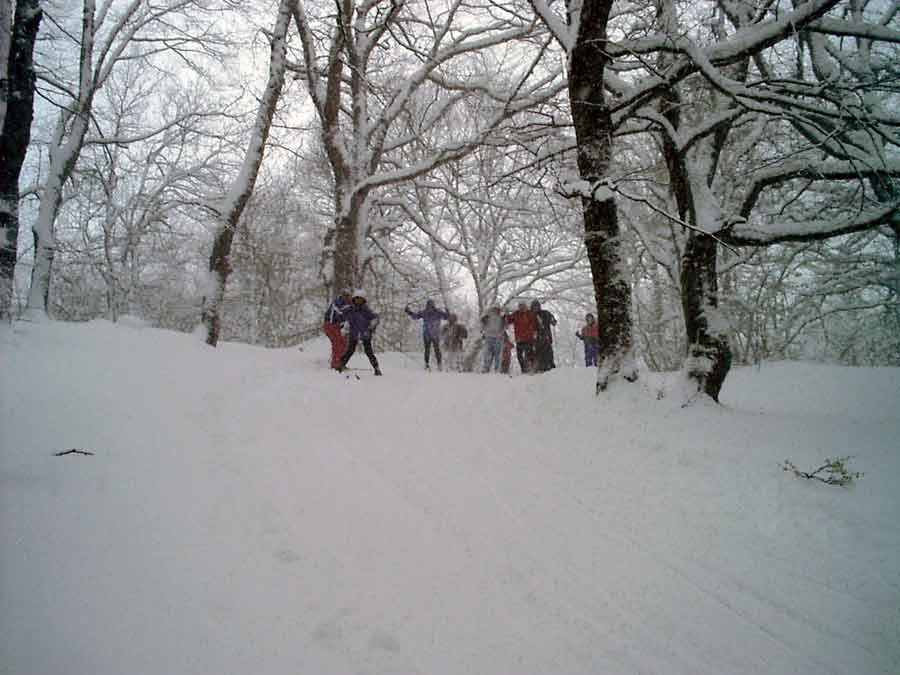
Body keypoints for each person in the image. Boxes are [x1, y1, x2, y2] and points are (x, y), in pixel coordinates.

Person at [337, 290, 382, 375]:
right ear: (354, 299)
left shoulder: (366, 310)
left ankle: (376, 368)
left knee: (369, 352)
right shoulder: (350, 309)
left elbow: (375, 318)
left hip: (365, 334)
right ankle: (340, 365)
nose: (358, 301)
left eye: (360, 299)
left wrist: (371, 327)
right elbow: (342, 315)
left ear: (364, 300)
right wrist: (343, 326)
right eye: (356, 299)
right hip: (354, 333)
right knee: (350, 350)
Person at [405, 299, 450, 370]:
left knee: (428, 350)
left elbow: (415, 316)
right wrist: (447, 311)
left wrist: (409, 312)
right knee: (436, 350)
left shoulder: (425, 312)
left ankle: (427, 364)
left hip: (427, 334)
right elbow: (446, 317)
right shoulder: (437, 312)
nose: (430, 307)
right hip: (434, 334)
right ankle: (438, 364)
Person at [504, 301, 538, 374]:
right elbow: (509, 320)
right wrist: (506, 314)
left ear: (526, 306)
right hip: (519, 339)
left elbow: (534, 324)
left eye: (523, 306)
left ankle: (532, 368)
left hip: (529, 339)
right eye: (520, 306)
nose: (522, 308)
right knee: (519, 356)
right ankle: (524, 369)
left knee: (529, 355)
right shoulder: (516, 314)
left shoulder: (530, 314)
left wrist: (534, 333)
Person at [323, 290, 351, 369]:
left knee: (344, 343)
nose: (349, 298)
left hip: (338, 326)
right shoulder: (338, 302)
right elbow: (340, 311)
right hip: (330, 325)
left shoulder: (349, 304)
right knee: (337, 343)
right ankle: (336, 364)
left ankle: (340, 362)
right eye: (347, 296)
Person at [531, 300, 557, 372]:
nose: (535, 308)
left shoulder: (545, 313)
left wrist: (552, 320)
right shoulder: (530, 315)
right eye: (534, 307)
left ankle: (550, 366)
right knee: (537, 353)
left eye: (536, 306)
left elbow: (553, 321)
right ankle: (539, 367)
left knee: (548, 352)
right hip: (536, 338)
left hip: (546, 336)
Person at [480, 306, 505, 373]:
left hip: (498, 338)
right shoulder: (486, 317)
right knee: (487, 354)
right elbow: (482, 325)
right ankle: (486, 368)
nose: (495, 311)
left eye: (496, 310)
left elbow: (505, 326)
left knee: (497, 354)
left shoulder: (502, 318)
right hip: (489, 337)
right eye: (493, 310)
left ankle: (497, 369)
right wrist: (482, 332)